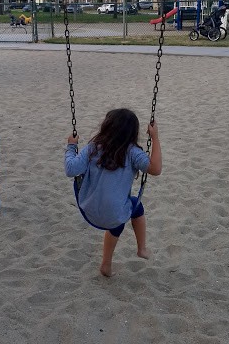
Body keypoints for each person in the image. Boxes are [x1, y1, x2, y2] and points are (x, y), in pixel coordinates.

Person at [65, 108, 162, 277]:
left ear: (106, 126)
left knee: (117, 215)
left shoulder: (93, 148)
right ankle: (142, 248)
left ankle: (106, 265)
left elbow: (71, 169)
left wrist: (71, 146)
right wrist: (155, 137)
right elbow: (156, 169)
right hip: (114, 215)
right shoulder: (133, 152)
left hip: (88, 209)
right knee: (134, 208)